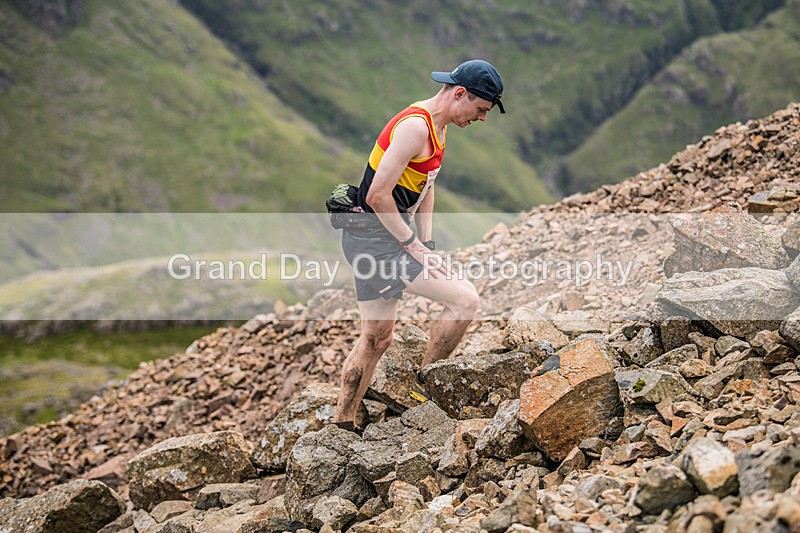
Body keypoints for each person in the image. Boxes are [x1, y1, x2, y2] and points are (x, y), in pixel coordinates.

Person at [332, 60, 506, 432]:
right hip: (374, 242)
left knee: (378, 337)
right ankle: (423, 395)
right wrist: (414, 245)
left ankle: (342, 425)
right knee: (465, 299)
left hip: (379, 238)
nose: (481, 119)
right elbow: (379, 196)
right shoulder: (414, 128)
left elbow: (427, 184)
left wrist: (426, 241)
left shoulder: (436, 128)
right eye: (480, 110)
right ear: (460, 93)